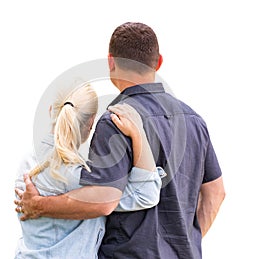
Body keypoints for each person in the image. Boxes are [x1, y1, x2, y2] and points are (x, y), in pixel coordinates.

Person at [15, 22, 226, 258]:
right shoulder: (194, 121)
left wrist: (39, 205)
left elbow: (101, 201)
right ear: (158, 62)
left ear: (110, 62)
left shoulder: (115, 121)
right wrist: (182, 245)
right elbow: (216, 193)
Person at [14, 83, 165, 258]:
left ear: (51, 111)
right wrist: (138, 134)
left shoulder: (27, 162)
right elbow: (146, 194)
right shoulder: (79, 177)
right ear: (91, 124)